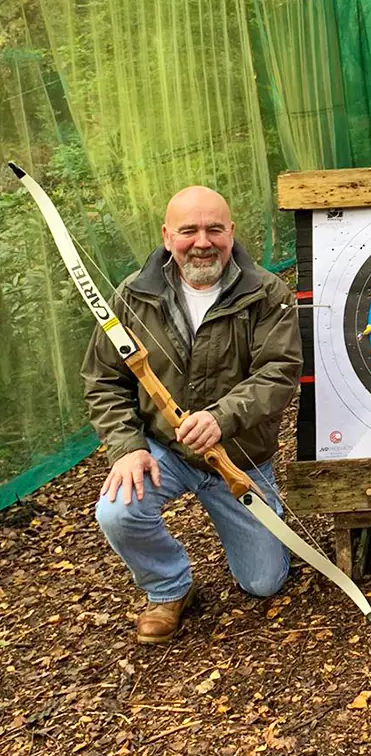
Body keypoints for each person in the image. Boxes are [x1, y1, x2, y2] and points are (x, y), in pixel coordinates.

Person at [84, 186, 303, 644]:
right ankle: (168, 588)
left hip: (237, 462)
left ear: (231, 232)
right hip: (165, 449)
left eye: (214, 229)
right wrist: (127, 448)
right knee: (117, 511)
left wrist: (221, 418)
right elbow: (105, 379)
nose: (202, 241)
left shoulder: (266, 291)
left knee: (263, 583)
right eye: (189, 231)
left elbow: (279, 373)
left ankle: (267, 533)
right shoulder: (134, 295)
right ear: (167, 237)